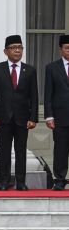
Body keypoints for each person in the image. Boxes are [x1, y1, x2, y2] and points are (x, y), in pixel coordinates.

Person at [0, 35, 37, 191]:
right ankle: (4, 181)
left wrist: (33, 117)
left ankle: (21, 182)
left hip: (23, 118)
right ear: (5, 51)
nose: (17, 50)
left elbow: (34, 96)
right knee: (4, 151)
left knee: (21, 151)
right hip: (3, 118)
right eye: (13, 48)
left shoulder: (29, 70)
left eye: (20, 48)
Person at [44, 34, 69, 190]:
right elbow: (48, 94)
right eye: (67, 48)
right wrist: (49, 115)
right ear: (61, 49)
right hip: (60, 117)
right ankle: (59, 180)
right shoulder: (52, 68)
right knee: (60, 149)